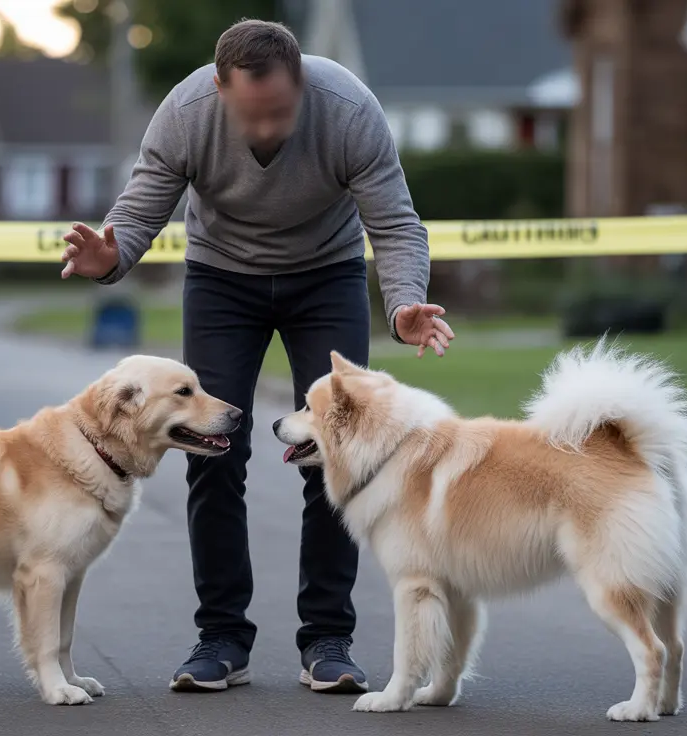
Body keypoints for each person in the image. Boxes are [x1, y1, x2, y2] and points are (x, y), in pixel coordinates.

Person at [59, 19, 455, 695]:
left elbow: (393, 224)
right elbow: (141, 207)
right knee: (212, 448)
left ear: (301, 84)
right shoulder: (185, 113)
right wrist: (110, 257)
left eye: (280, 111)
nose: (268, 128)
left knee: (337, 453)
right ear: (220, 89)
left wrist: (403, 306)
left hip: (325, 273)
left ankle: (327, 639)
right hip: (222, 280)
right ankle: (221, 638)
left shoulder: (350, 110)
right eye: (252, 113)